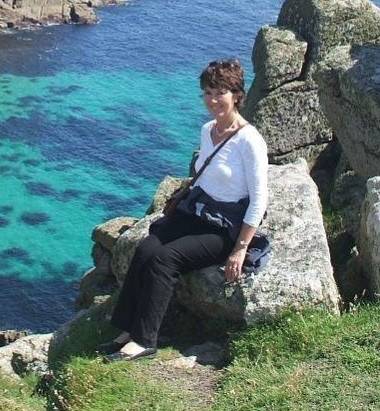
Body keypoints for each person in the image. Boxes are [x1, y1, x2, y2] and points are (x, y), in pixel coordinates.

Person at [102, 58, 269, 362]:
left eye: (220, 92)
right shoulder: (208, 131)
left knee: (165, 259)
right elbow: (204, 176)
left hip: (226, 227)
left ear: (236, 95)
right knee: (146, 249)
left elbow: (259, 200)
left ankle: (145, 340)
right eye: (207, 92)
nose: (212, 100)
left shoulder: (250, 141)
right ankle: (127, 329)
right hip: (199, 212)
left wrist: (240, 249)